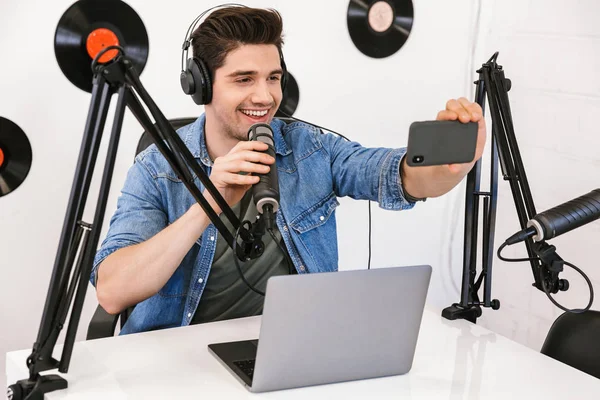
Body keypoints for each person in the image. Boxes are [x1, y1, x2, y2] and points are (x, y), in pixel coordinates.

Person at [90, 6, 486, 335]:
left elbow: (398, 176)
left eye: (273, 78)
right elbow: (112, 292)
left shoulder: (311, 149)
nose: (264, 96)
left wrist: (451, 165)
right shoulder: (158, 168)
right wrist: (207, 204)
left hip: (293, 350)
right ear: (201, 86)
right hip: (179, 361)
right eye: (243, 79)